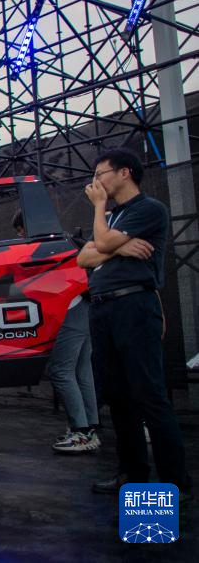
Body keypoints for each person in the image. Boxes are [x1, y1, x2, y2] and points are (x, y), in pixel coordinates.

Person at [77, 148, 193, 502]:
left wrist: (101, 217)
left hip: (134, 306)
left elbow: (100, 243)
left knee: (149, 394)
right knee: (118, 396)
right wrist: (119, 247)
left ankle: (176, 481)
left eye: (101, 174)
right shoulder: (113, 217)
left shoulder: (148, 209)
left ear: (124, 172)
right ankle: (132, 473)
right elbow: (84, 256)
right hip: (102, 309)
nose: (96, 182)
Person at [12, 210, 100, 453]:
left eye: (20, 231)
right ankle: (90, 428)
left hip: (70, 311)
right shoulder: (62, 242)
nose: (20, 236)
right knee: (82, 371)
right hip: (83, 308)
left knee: (61, 371)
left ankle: (81, 432)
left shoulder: (44, 248)